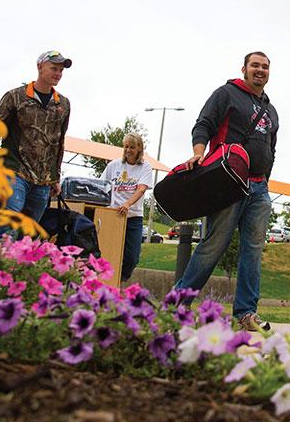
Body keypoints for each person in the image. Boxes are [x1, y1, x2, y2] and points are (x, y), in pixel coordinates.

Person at [173, 51, 278, 332]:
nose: (260, 70)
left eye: (265, 67)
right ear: (243, 68)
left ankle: (246, 314)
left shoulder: (271, 110)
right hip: (228, 184)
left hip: (259, 188)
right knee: (213, 246)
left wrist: (266, 178)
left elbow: (271, 147)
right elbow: (203, 124)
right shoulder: (227, 94)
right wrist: (197, 153)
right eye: (255, 65)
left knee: (253, 251)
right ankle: (176, 305)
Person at [0, 50, 72, 229]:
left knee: (28, 236)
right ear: (39, 67)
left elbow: (59, 143)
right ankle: (0, 255)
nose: (58, 74)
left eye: (61, 70)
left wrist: (55, 177)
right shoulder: (15, 97)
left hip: (43, 181)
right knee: (8, 228)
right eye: (54, 68)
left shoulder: (63, 104)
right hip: (14, 172)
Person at [102, 132, 154, 283]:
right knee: (109, 252)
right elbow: (102, 186)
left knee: (132, 258)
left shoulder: (145, 167)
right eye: (125, 147)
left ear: (139, 148)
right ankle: (108, 283)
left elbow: (141, 189)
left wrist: (128, 204)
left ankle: (120, 280)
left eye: (132, 147)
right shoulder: (114, 165)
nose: (128, 150)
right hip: (113, 215)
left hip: (133, 217)